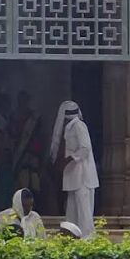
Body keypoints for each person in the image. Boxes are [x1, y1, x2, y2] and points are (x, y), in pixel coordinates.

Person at [49, 100, 99, 238]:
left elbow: (85, 148)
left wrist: (68, 159)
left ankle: (87, 241)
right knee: (71, 213)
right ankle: (72, 239)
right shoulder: (70, 127)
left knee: (84, 214)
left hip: (83, 176)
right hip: (72, 176)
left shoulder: (78, 125)